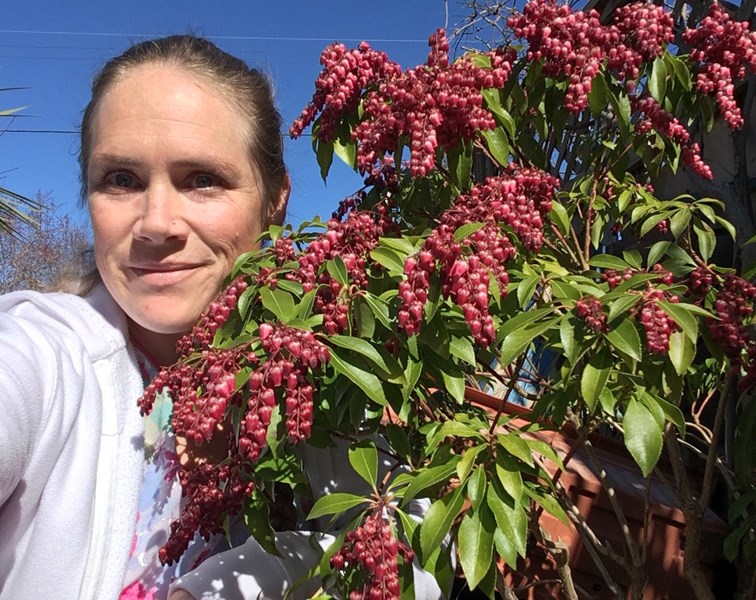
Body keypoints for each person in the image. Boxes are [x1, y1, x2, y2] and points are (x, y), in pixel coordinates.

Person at [0, 35, 443, 600]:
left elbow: (416, 541)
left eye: (202, 179)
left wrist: (257, 575)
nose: (157, 223)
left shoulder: (320, 361)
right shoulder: (46, 353)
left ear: (276, 199)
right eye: (121, 180)